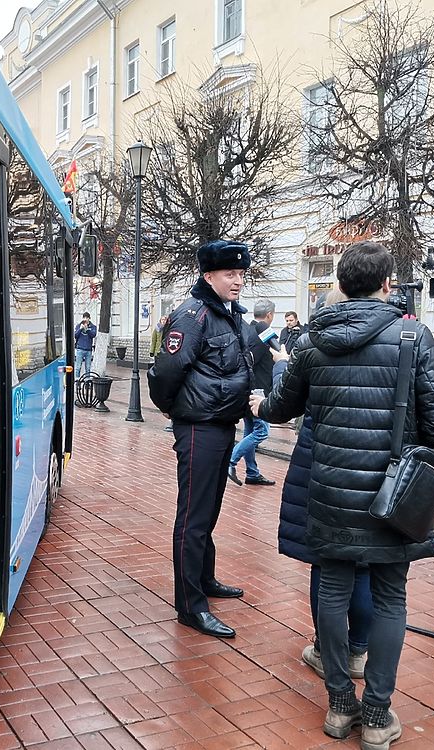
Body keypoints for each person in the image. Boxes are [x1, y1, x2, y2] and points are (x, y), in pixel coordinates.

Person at [252, 241, 434, 749]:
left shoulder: (314, 341)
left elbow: (280, 408)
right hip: (394, 498)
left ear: (342, 284)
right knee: (390, 599)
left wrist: (258, 404)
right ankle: (378, 714)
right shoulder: (414, 335)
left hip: (330, 492)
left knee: (332, 590)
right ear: (388, 284)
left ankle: (340, 705)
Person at [147, 239, 258, 640]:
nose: (238, 281)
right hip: (199, 427)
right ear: (208, 276)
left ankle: (204, 579)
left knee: (208, 512)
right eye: (231, 274)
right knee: (193, 518)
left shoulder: (225, 313)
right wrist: (172, 409)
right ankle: (190, 606)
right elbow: (165, 371)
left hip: (221, 423)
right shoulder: (193, 315)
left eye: (242, 274)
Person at [276, 290, 374, 682]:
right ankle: (360, 651)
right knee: (366, 562)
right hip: (374, 464)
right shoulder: (402, 338)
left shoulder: (311, 346)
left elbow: (284, 405)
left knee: (326, 560)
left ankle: (325, 650)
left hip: (321, 460)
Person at [228, 298, 286, 487]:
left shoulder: (247, 329)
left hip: (246, 388)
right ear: (270, 315)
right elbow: (270, 356)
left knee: (250, 431)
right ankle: (231, 461)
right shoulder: (263, 332)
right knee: (262, 432)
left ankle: (252, 472)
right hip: (258, 390)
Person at [74, 311, 96, 378]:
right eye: (84, 318)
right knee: (78, 367)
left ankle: (87, 381)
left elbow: (93, 335)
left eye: (87, 318)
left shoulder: (93, 326)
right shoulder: (78, 325)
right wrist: (80, 329)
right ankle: (77, 381)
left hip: (88, 350)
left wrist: (87, 330)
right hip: (80, 349)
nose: (85, 319)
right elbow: (75, 335)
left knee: (88, 368)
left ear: (89, 318)